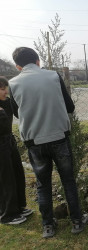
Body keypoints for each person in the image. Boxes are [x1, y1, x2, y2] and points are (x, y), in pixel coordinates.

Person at [9, 47, 88, 238]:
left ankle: (48, 226)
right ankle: (77, 221)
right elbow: (70, 106)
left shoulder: (13, 84)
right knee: (68, 181)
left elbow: (15, 113)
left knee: (42, 185)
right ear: (38, 61)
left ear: (18, 66)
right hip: (59, 137)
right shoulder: (53, 77)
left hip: (34, 141)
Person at [0, 76, 33, 225]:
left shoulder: (6, 102)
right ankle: (7, 214)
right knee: (5, 179)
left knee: (17, 173)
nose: (5, 91)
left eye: (6, 87)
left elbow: (19, 113)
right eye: (2, 89)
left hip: (9, 141)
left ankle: (18, 207)